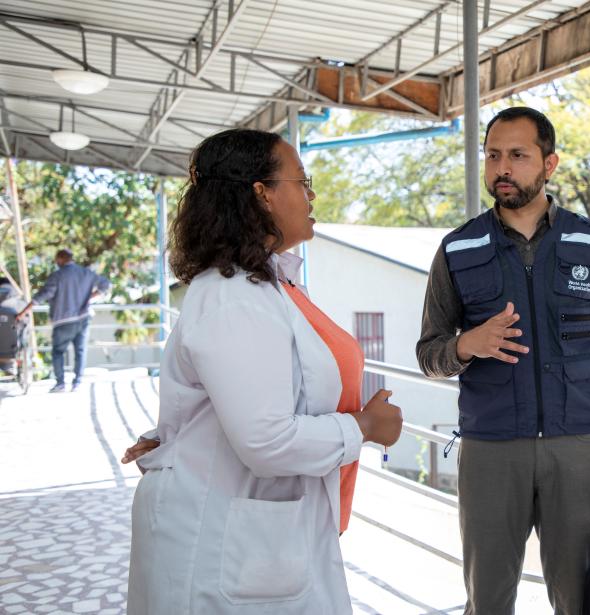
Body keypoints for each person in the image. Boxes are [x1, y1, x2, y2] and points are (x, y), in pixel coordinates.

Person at [120, 128, 403, 614]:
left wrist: (176, 432)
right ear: (262, 193)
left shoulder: (267, 284)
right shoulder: (235, 298)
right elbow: (267, 440)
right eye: (301, 181)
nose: (311, 194)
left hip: (263, 529)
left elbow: (246, 400)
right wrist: (365, 427)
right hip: (222, 542)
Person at [416, 107, 590, 615]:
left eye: (518, 155)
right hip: (491, 450)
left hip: (576, 448)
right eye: (493, 155)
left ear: (549, 163)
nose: (502, 167)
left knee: (585, 601)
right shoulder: (458, 248)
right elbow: (428, 353)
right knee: (488, 601)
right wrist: (465, 345)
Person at [17, 249, 109, 392]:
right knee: (80, 351)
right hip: (83, 318)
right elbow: (105, 284)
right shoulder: (86, 273)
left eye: (56, 259)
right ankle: (77, 382)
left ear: (61, 259)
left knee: (58, 352)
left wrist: (23, 312)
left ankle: (60, 383)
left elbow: (42, 296)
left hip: (63, 320)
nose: (55, 262)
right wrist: (89, 297)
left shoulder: (57, 276)